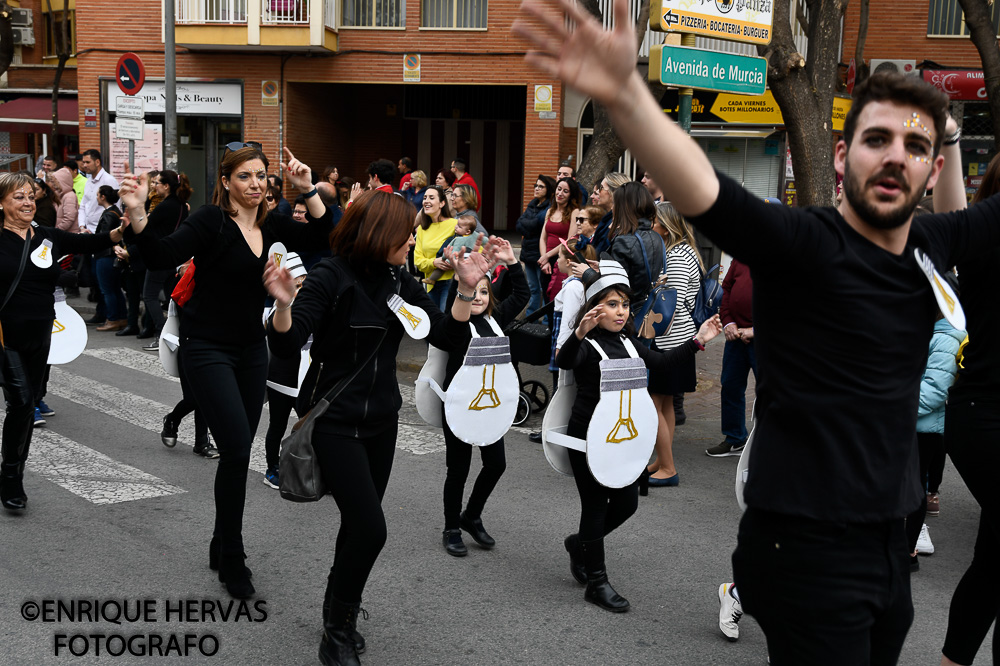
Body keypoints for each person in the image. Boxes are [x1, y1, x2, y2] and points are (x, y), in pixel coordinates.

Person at [515, 4, 1000, 659]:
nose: (896, 157)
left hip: (891, 539)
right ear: (840, 155)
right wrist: (628, 97)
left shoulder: (928, 246)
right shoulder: (801, 242)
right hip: (804, 545)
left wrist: (946, 139)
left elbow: (970, 222)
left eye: (914, 147)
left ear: (931, 170)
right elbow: (707, 190)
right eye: (877, 139)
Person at [262, 189, 497, 666]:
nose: (412, 240)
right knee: (372, 530)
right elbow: (287, 346)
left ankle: (338, 611)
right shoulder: (332, 275)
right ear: (379, 233)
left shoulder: (399, 280)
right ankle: (336, 633)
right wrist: (284, 306)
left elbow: (444, 335)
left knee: (357, 525)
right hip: (334, 422)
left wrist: (467, 290)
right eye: (406, 233)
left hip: (381, 422)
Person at [118, 142, 333, 599]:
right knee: (237, 446)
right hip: (207, 347)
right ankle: (232, 557)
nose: (254, 184)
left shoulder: (273, 224)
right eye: (245, 177)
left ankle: (220, 541)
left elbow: (323, 234)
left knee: (237, 452)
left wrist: (307, 186)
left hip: (252, 349)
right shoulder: (210, 222)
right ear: (226, 181)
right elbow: (158, 255)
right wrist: (137, 211)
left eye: (260, 176)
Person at [555, 261, 721, 612]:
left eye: (625, 305)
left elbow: (660, 365)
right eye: (612, 304)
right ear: (594, 307)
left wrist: (698, 341)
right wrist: (579, 332)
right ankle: (596, 583)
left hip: (622, 440)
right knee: (596, 505)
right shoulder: (587, 345)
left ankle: (579, 544)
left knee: (628, 504)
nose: (620, 311)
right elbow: (566, 360)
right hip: (589, 439)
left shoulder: (628, 342)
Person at [0, 172, 125, 511]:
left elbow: (85, 244)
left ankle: (13, 472)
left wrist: (118, 231)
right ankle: (11, 478)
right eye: (18, 197)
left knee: (26, 407)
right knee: (23, 403)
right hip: (4, 336)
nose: (27, 203)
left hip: (41, 333)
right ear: (2, 203)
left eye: (30, 196)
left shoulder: (45, 235)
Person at [939, 153, 1000, 666]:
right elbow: (953, 218)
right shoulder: (986, 243)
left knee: (994, 560)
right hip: (983, 412)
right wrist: (954, 141)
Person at [438, 239, 528, 557]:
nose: (478, 297)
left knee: (496, 465)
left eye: (484, 292)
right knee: (458, 470)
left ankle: (471, 515)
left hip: (490, 407)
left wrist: (512, 261)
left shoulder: (495, 319)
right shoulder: (456, 326)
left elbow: (523, 294)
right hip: (460, 406)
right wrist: (465, 283)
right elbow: (456, 317)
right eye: (473, 291)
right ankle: (451, 528)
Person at [261, 251, 309, 488]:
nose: (300, 287)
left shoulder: (313, 304)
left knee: (310, 425)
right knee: (277, 425)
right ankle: (272, 468)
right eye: (297, 283)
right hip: (281, 377)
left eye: (303, 282)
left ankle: (312, 469)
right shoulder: (275, 310)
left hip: (307, 377)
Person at [706, 256, 755, 458]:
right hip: (735, 337)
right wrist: (728, 323)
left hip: (768, 341)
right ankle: (735, 439)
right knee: (731, 387)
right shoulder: (740, 258)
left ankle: (770, 444)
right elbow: (726, 290)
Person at [141, 170, 192, 353]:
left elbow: (145, 226)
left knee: (149, 295)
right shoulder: (181, 205)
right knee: (173, 297)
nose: (154, 186)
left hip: (160, 256)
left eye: (157, 183)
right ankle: (178, 333)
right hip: (175, 257)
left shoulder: (165, 206)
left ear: (166, 186)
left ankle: (161, 334)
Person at [516, 174, 556, 316]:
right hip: (528, 252)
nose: (537, 188)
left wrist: (530, 225)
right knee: (533, 288)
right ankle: (531, 317)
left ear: (549, 189)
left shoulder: (550, 207)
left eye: (541, 186)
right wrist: (531, 226)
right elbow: (519, 225)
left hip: (541, 254)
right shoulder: (533, 204)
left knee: (544, 288)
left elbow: (538, 226)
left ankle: (545, 321)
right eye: (536, 185)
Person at [414, 185, 459, 311]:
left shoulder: (455, 225)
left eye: (431, 198)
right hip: (430, 284)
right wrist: (434, 262)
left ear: (442, 203)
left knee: (445, 322)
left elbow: (470, 248)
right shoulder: (422, 229)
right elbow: (418, 261)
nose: (426, 201)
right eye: (425, 198)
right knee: (433, 323)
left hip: (450, 282)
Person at [93, 186, 128, 332]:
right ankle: (121, 318)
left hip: (106, 255)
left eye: (97, 194)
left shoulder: (108, 214)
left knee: (107, 290)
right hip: (114, 256)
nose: (96, 197)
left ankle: (113, 318)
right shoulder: (116, 212)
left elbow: (105, 236)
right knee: (115, 289)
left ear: (103, 197)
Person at [539, 176, 580, 301]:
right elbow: (542, 238)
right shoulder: (550, 211)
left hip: (561, 260)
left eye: (565, 191)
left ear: (571, 195)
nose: (560, 193)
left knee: (557, 299)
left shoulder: (575, 212)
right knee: (546, 298)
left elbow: (569, 240)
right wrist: (544, 260)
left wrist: (547, 256)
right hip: (546, 262)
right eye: (559, 189)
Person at [422, 217, 478, 286]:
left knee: (442, 266)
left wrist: (445, 257)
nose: (456, 227)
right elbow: (484, 239)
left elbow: (453, 250)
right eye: (457, 224)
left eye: (459, 227)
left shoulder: (459, 240)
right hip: (463, 259)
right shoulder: (474, 235)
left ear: (468, 231)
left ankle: (432, 279)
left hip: (456, 259)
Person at [51, 167, 79, 233]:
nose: (54, 184)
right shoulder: (60, 195)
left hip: (68, 234)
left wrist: (56, 230)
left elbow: (69, 218)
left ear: (62, 181)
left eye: (56, 181)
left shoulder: (69, 196)